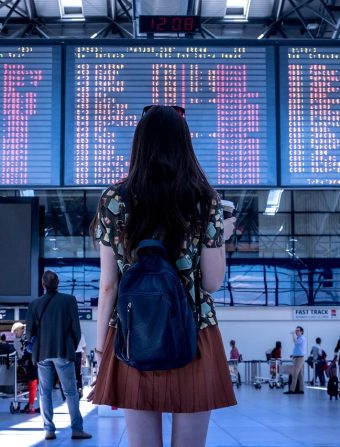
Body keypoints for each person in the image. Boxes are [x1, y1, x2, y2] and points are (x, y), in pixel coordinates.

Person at [89, 105, 237, 446]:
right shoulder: (205, 200)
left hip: (132, 333)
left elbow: (109, 285)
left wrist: (100, 349)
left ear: (139, 144)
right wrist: (220, 238)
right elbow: (212, 283)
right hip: (194, 334)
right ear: (184, 144)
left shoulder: (115, 199)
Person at [25, 271, 91, 441]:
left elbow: (29, 332)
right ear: (58, 283)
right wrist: (71, 346)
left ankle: (49, 430)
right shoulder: (69, 300)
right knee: (70, 392)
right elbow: (76, 329)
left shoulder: (34, 304)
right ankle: (76, 429)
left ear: (42, 284)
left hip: (42, 353)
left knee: (45, 392)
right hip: (63, 351)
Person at [11, 322, 39, 414]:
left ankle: (31, 406)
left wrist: (20, 362)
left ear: (20, 329)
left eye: (16, 331)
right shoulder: (26, 337)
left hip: (33, 363)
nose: (15, 334)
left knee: (33, 383)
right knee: (33, 383)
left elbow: (28, 352)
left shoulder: (28, 336)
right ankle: (31, 405)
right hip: (35, 362)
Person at [284, 326, 306, 395]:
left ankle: (292, 390)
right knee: (300, 375)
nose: (296, 332)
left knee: (294, 374)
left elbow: (295, 342)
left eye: (298, 330)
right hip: (297, 357)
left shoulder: (302, 338)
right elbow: (298, 349)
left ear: (302, 331)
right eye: (296, 330)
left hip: (299, 358)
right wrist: (293, 355)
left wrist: (293, 335)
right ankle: (301, 390)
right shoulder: (299, 338)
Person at [75, 333, 87, 398]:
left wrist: (84, 359)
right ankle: (79, 391)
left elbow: (84, 347)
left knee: (78, 374)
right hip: (77, 355)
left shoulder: (81, 334)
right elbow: (84, 348)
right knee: (78, 375)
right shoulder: (80, 334)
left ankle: (80, 391)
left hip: (76, 355)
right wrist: (84, 359)